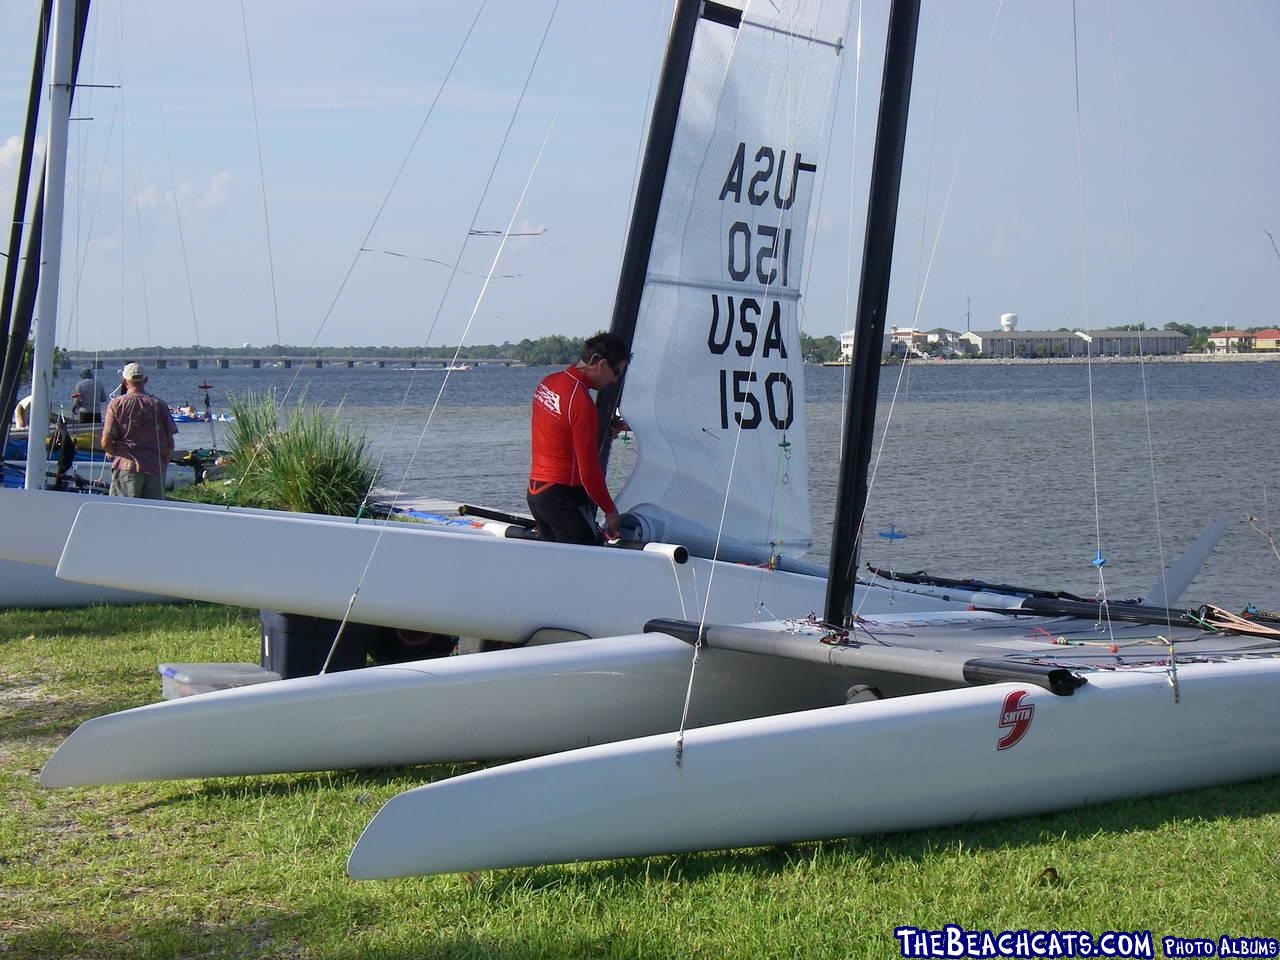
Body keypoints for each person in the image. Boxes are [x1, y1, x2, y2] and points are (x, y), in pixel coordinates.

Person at [527, 331, 630, 545]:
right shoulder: (581, 402)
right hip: (561, 500)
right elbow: (588, 473)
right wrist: (610, 511)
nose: (614, 380)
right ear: (600, 364)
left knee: (556, 570)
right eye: (616, 372)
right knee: (587, 571)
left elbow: (559, 428)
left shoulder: (549, 382)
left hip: (537, 496)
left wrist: (601, 428)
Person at [101, 361, 178, 499]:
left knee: (124, 513)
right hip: (155, 468)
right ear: (146, 380)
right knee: (152, 515)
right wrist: (163, 463)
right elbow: (169, 443)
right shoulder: (159, 405)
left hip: (126, 466)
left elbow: (106, 440)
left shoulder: (116, 404)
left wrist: (114, 452)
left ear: (125, 381)